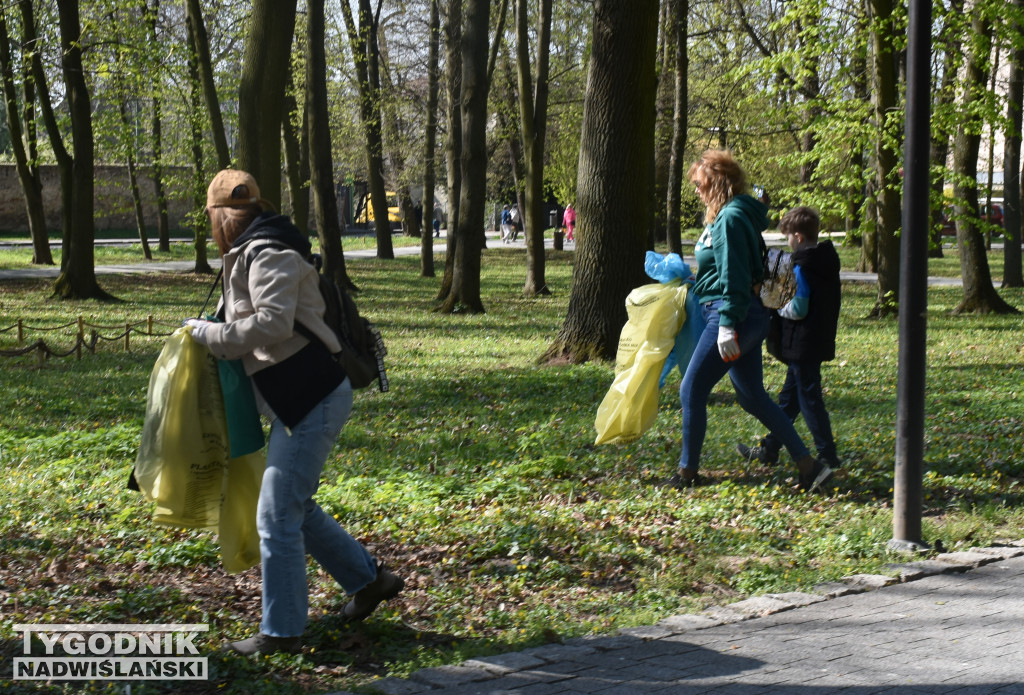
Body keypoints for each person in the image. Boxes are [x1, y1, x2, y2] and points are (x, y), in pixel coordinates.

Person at [185, 169, 404, 656]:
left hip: (316, 398)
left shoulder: (268, 252)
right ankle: (369, 582)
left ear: (223, 216)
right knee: (293, 506)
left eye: (213, 218)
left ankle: (281, 633)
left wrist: (207, 334)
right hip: (299, 399)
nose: (213, 227)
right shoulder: (255, 250)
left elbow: (271, 323)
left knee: (276, 512)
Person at [665, 150, 832, 493]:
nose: (696, 190)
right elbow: (725, 268)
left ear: (716, 182)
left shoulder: (732, 217)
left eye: (699, 184)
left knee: (692, 389)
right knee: (752, 396)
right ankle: (809, 466)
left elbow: (735, 275)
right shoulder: (728, 216)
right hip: (740, 313)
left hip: (732, 315)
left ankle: (687, 473)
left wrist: (727, 324)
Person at [737, 206, 841, 469]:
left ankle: (827, 454)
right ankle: (770, 448)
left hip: (802, 342)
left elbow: (798, 306)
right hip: (813, 340)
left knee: (809, 399)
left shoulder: (802, 267)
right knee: (790, 399)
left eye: (788, 238)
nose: (788, 242)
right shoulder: (824, 261)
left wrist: (776, 307)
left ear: (798, 237)